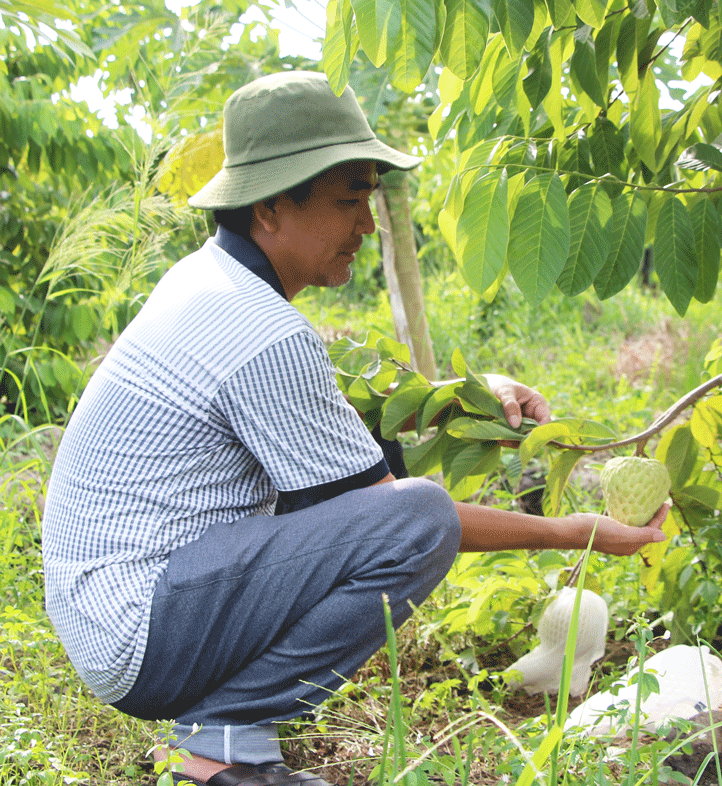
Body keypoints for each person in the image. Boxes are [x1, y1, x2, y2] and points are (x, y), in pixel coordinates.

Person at [41, 71, 668, 786]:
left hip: (124, 606)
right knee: (420, 516)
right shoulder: (260, 329)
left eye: (367, 200)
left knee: (389, 503)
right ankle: (222, 744)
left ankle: (224, 736)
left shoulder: (208, 280)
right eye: (349, 202)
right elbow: (393, 511)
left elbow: (333, 440)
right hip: (141, 629)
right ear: (271, 208)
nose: (366, 225)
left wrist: (465, 400)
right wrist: (575, 531)